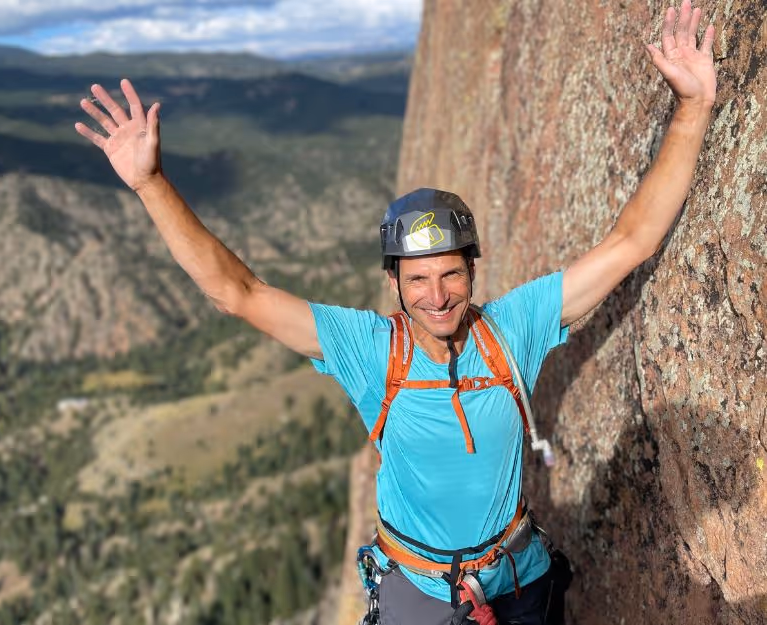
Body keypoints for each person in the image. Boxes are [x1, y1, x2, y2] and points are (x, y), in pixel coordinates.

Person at [74, 1, 716, 623]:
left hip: (517, 582)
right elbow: (236, 292)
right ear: (393, 283)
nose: (436, 296)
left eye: (449, 275)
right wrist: (150, 183)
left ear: (472, 271)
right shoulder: (369, 351)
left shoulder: (512, 328)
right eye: (417, 280)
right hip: (422, 594)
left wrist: (692, 106)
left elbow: (631, 242)